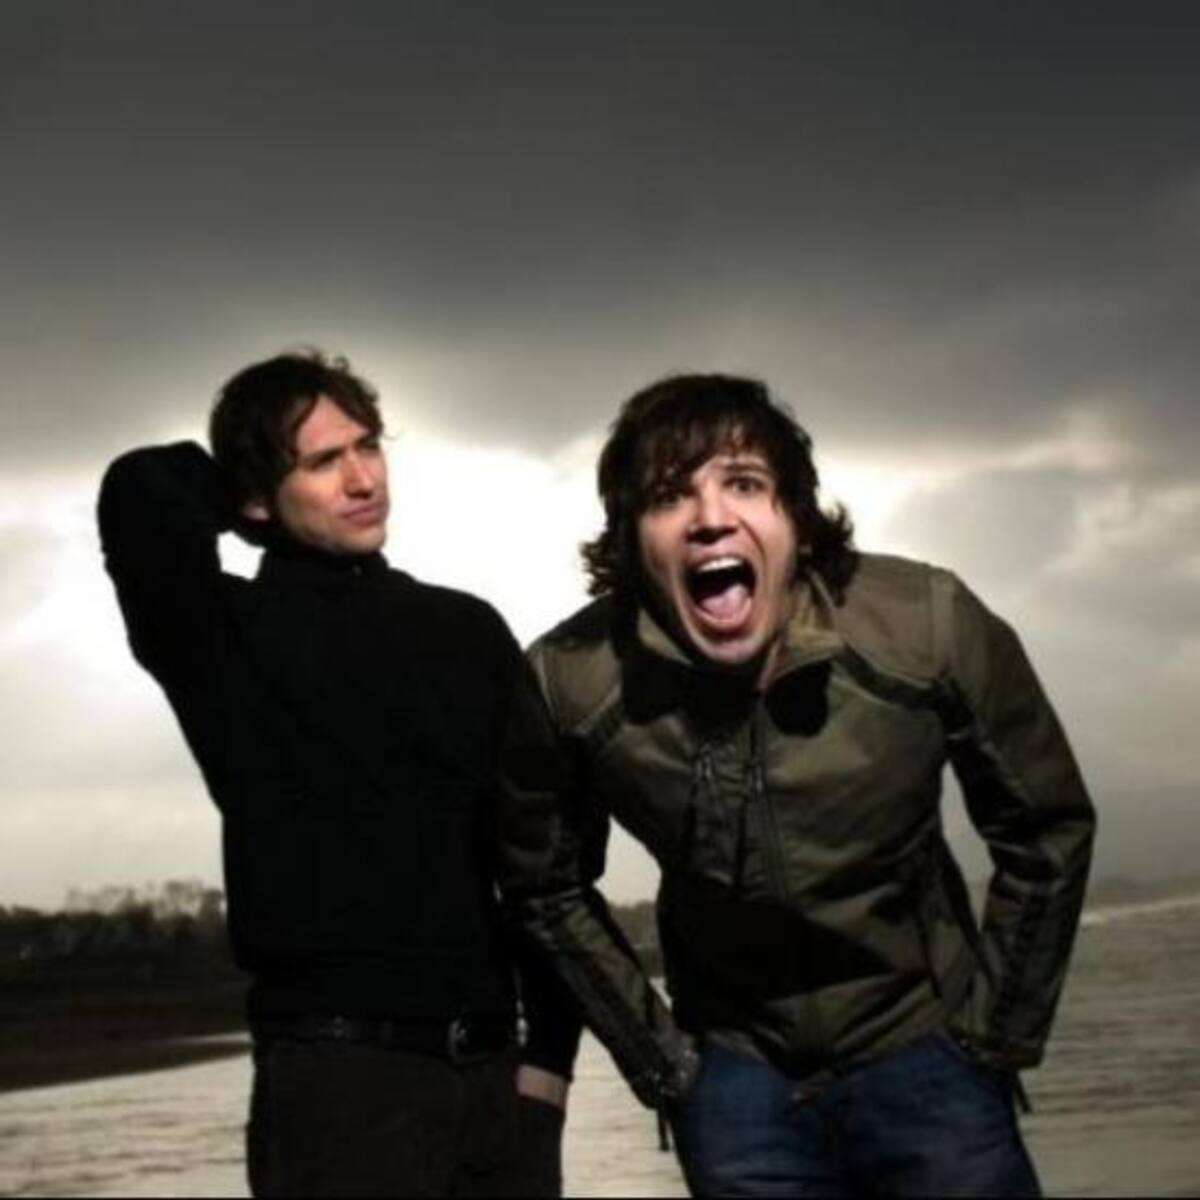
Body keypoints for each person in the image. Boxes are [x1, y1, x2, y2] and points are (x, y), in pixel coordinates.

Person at [498, 373, 1096, 1197]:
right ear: (632, 541)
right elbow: (544, 886)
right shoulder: (570, 682)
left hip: (929, 1056)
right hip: (734, 1086)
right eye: (669, 496)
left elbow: (1045, 826)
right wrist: (666, 1068)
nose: (711, 517)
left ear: (799, 519)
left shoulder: (926, 622)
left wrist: (994, 1039)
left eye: (744, 483)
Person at [98, 350, 578, 1197]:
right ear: (256, 496)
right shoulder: (221, 637)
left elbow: (547, 856)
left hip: (497, 1079)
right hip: (337, 1084)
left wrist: (549, 1065)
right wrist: (249, 491)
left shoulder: (467, 630)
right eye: (323, 461)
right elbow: (139, 489)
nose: (363, 480)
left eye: (368, 447)